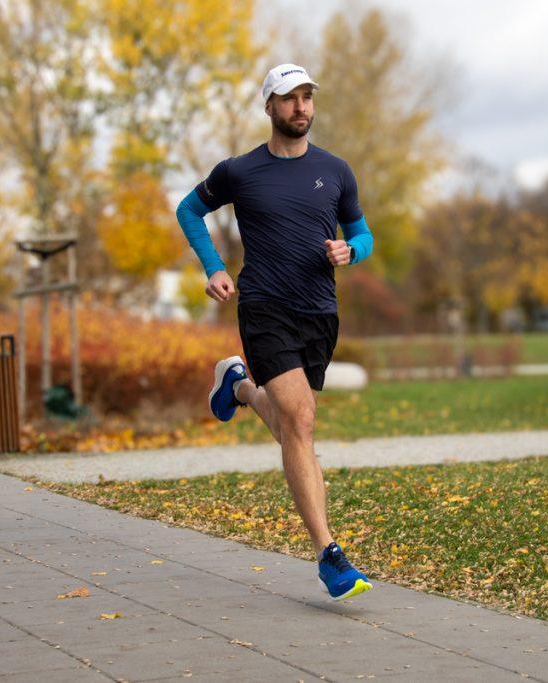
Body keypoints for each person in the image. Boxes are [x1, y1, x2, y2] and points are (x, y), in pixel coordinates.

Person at [175, 63, 374, 601]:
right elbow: (189, 209)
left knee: (293, 426)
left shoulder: (336, 171)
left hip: (319, 313)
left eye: (308, 97)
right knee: (302, 421)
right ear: (270, 106)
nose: (301, 107)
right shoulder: (240, 172)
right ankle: (329, 555)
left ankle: (238, 384)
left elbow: (362, 232)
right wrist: (213, 266)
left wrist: (350, 250)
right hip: (264, 306)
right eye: (290, 98)